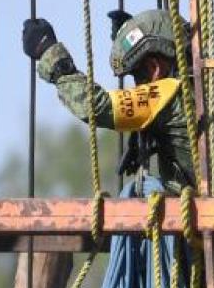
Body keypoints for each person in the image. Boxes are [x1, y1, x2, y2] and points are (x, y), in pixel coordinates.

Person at [23, 10, 195, 189]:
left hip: (200, 207)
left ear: (154, 68)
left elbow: (96, 106)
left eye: (137, 75)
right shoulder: (203, 85)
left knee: (137, 191)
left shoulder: (169, 94)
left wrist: (50, 54)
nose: (136, 86)